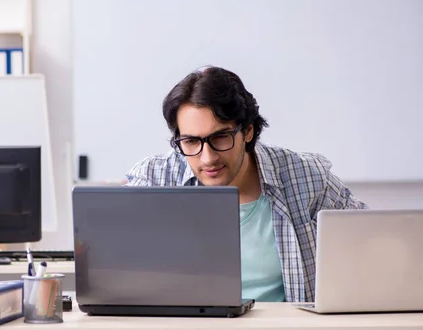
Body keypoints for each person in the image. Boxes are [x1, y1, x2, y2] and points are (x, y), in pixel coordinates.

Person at [125, 66, 367, 303]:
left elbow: (370, 241)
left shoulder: (306, 176)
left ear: (248, 131)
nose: (207, 158)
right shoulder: (153, 179)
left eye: (220, 137)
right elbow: (103, 253)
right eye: (190, 141)